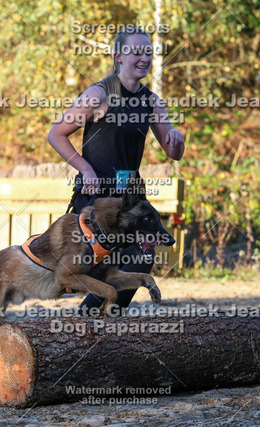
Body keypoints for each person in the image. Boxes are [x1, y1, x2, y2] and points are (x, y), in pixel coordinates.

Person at [47, 26, 184, 314]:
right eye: (137, 52)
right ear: (119, 56)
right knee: (106, 262)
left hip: (130, 199)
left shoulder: (151, 101)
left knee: (141, 257)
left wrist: (176, 140)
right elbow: (56, 134)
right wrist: (85, 169)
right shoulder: (99, 94)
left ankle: (103, 321)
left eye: (148, 52)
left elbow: (173, 153)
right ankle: (88, 322)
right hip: (97, 199)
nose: (144, 58)